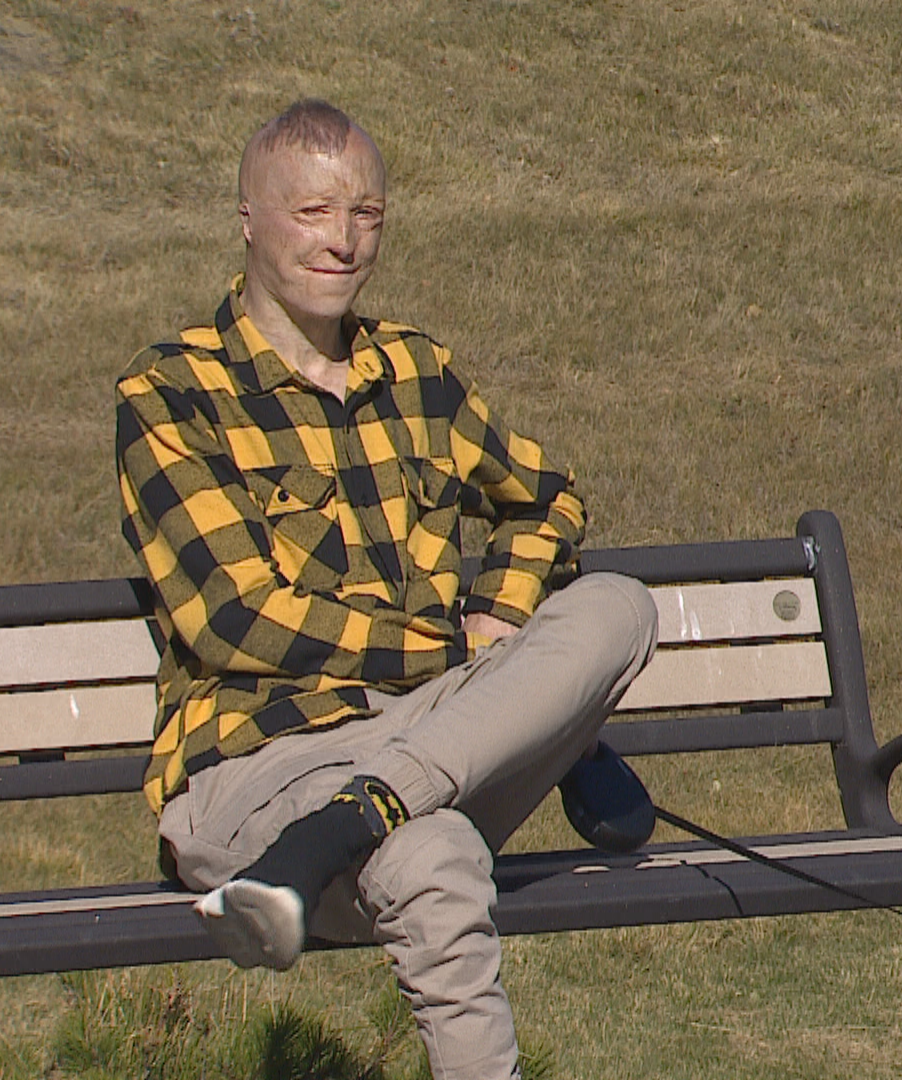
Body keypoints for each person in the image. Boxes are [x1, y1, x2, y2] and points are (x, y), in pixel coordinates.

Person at [115, 98, 658, 1080]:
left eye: (367, 213)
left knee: (620, 606)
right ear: (249, 218)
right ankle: (364, 816)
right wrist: (463, 656)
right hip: (258, 766)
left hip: (416, 752)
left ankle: (357, 818)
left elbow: (548, 499)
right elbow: (232, 619)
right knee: (432, 854)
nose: (345, 240)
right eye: (314, 212)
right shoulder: (173, 395)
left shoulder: (417, 371)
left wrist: (505, 608)